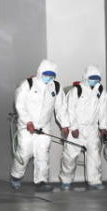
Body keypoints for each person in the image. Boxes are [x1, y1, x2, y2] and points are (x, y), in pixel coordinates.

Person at [10, 59, 69, 192]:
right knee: (24, 152)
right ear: (40, 72)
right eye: (46, 74)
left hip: (44, 127)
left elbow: (61, 108)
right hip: (26, 127)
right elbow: (19, 104)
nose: (48, 77)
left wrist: (65, 125)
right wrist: (27, 121)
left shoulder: (55, 87)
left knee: (42, 154)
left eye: (51, 75)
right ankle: (16, 176)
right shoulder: (28, 84)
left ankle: (41, 181)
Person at [59, 65, 107, 190]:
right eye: (92, 78)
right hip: (76, 129)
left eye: (97, 78)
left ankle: (94, 181)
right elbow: (69, 109)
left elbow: (104, 110)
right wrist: (73, 127)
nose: (95, 80)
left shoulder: (101, 91)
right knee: (70, 156)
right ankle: (66, 180)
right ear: (86, 78)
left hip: (92, 129)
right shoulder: (76, 91)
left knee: (94, 157)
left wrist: (104, 127)